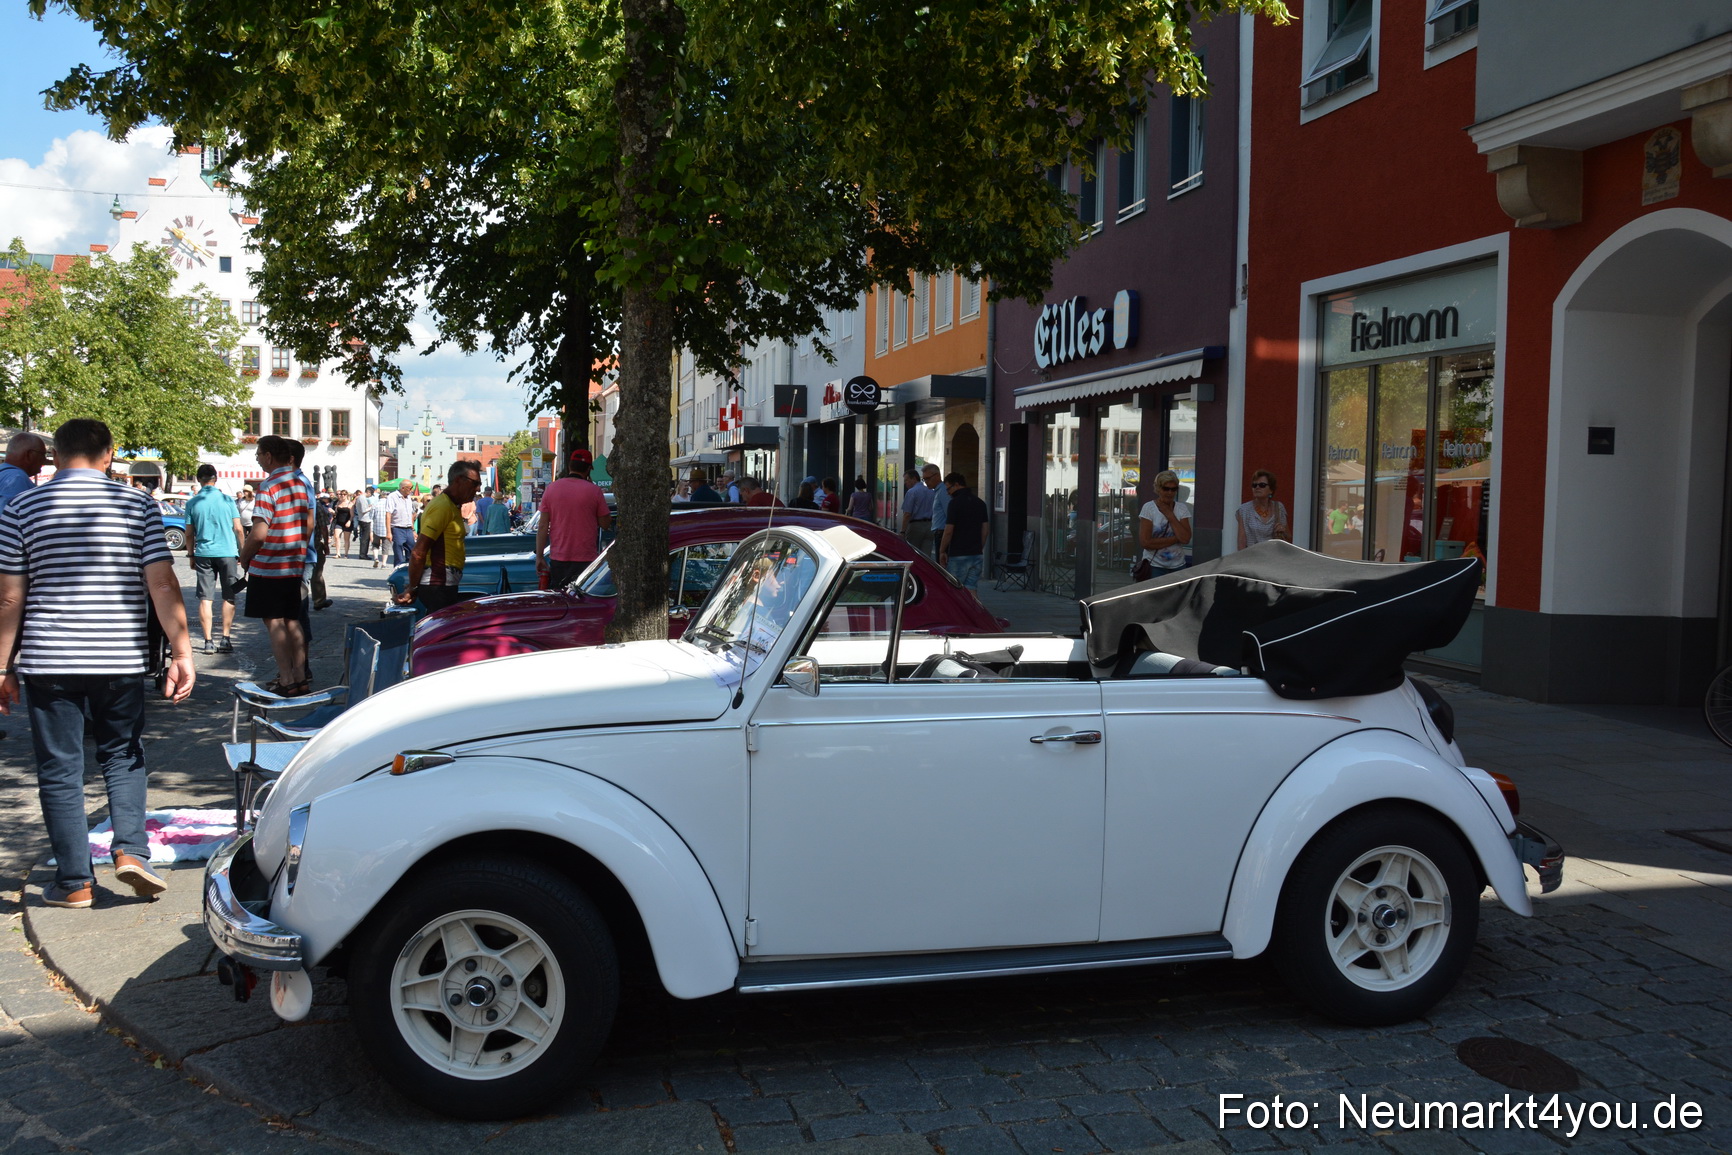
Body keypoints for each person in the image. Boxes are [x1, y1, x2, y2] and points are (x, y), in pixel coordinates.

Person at [0, 418, 193, 909]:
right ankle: (131, 851)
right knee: (123, 753)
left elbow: (9, 597)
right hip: (118, 655)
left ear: (56, 456)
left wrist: (2, 667)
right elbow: (162, 583)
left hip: (48, 658)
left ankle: (74, 883)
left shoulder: (22, 507)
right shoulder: (137, 505)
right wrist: (182, 652)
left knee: (59, 767)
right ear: (108, 455)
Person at [240, 435, 313, 694]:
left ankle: (286, 679)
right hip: (293, 563)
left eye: (258, 455)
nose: (258, 460)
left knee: (274, 622)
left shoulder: (269, 486)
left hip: (269, 565)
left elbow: (259, 533)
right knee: (293, 620)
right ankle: (300, 676)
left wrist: (244, 556)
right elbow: (308, 524)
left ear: (269, 455)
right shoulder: (300, 484)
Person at [395, 460, 482, 612]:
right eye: (475, 483)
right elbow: (418, 552)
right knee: (443, 625)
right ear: (459, 480)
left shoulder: (451, 505)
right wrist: (412, 588)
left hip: (442, 583)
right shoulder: (443, 506)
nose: (478, 488)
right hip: (438, 583)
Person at [185, 464, 245, 653]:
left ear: (198, 479)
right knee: (229, 595)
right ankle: (225, 639)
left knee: (205, 598)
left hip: (204, 553)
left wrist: (191, 554)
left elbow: (189, 534)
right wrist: (242, 552)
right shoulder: (228, 500)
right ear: (215, 478)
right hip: (227, 552)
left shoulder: (192, 502)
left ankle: (208, 641)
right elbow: (239, 529)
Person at [536, 448, 613, 589]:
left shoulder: (551, 489)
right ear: (589, 469)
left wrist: (539, 556)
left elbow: (542, 526)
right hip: (585, 558)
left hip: (558, 557)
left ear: (569, 466)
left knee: (560, 596)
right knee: (581, 599)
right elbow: (605, 524)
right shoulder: (594, 491)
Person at [1138, 469, 1193, 578]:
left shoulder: (1181, 509)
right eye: (1166, 489)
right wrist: (1177, 538)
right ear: (1158, 489)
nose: (1170, 493)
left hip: (1178, 566)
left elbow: (1186, 539)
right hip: (1154, 566)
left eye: (1173, 489)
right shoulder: (1149, 508)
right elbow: (1145, 542)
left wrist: (1170, 515)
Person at [938, 472, 989, 591]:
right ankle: (975, 605)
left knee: (955, 591)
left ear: (956, 485)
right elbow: (985, 530)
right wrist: (979, 547)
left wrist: (942, 551)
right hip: (976, 554)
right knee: (971, 589)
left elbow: (948, 531)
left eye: (948, 489)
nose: (948, 493)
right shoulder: (980, 503)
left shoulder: (954, 503)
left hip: (958, 554)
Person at [1236, 469, 1291, 550]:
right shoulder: (1244, 510)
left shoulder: (1279, 508)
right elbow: (1241, 543)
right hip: (1253, 555)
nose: (1257, 487)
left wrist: (1282, 530)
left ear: (1271, 490)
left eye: (1262, 485)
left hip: (1273, 555)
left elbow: (1289, 538)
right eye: (1254, 485)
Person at [0, 432, 50, 510]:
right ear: (29, 455)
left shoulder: (4, 472)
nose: (44, 459)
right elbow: (9, 515)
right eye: (42, 454)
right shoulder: (17, 478)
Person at [900, 466, 936, 556]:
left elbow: (907, 514)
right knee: (926, 556)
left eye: (907, 480)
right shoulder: (931, 491)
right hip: (930, 525)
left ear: (914, 479)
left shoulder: (912, 492)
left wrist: (902, 531)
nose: (905, 483)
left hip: (915, 526)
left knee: (912, 553)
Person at [387, 479, 418, 564]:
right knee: (399, 553)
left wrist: (413, 530)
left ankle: (410, 569)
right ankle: (398, 569)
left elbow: (410, 515)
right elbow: (388, 514)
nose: (411, 490)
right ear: (403, 488)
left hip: (408, 529)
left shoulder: (408, 498)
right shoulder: (392, 496)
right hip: (397, 528)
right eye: (410, 488)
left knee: (412, 551)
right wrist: (388, 532)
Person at [923, 462, 948, 561]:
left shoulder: (943, 491)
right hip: (939, 533)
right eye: (924, 479)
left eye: (927, 479)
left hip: (942, 533)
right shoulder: (937, 491)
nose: (926, 482)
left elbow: (949, 515)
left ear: (937, 476)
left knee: (941, 564)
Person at [367, 485, 391, 568]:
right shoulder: (389, 505)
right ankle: (384, 564)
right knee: (385, 546)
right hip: (387, 529)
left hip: (376, 528)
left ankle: (376, 558)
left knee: (375, 544)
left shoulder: (375, 504)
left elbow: (371, 517)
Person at [353, 486, 375, 560]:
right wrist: (371, 507)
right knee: (365, 538)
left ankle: (363, 553)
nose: (370, 496)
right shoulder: (362, 498)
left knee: (365, 538)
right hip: (365, 520)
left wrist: (368, 506)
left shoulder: (360, 498)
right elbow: (363, 510)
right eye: (371, 494)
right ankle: (363, 554)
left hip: (362, 519)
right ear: (368, 492)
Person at [333, 489, 354, 557]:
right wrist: (333, 512)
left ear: (347, 495)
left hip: (347, 522)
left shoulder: (350, 503)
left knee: (346, 539)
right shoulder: (338, 503)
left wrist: (349, 521)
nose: (342, 495)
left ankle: (346, 553)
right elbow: (336, 513)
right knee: (336, 537)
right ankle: (338, 553)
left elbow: (352, 515)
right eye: (341, 494)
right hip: (338, 522)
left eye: (344, 494)